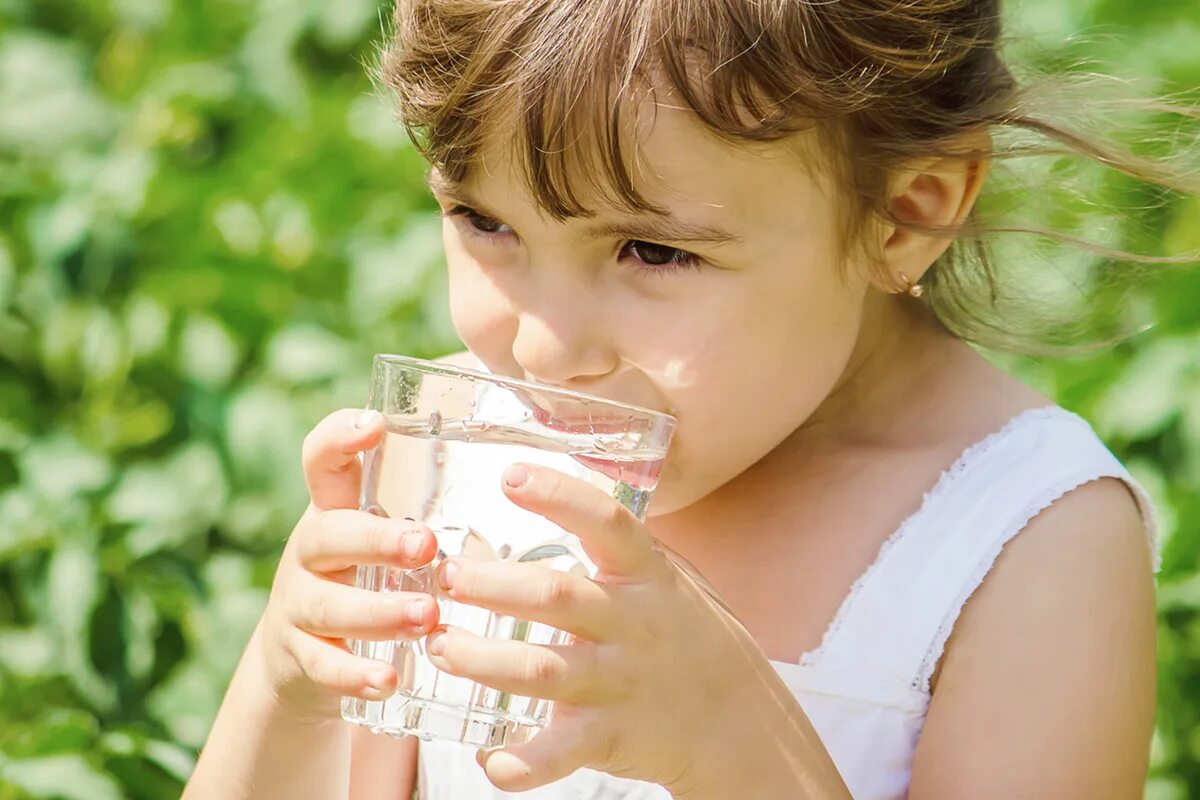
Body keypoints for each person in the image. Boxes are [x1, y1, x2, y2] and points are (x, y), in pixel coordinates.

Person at [184, 0, 1191, 797]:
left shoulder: (1024, 541)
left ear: (904, 213)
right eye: (484, 222)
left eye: (653, 250)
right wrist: (290, 682)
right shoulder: (467, 449)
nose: (543, 349)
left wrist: (735, 748)